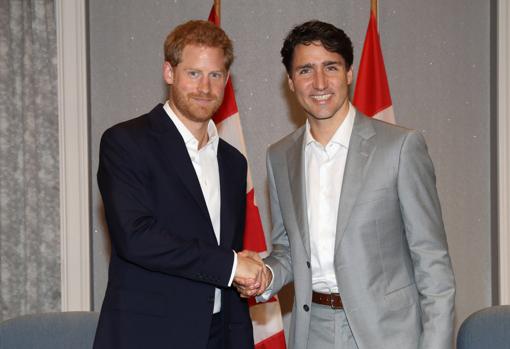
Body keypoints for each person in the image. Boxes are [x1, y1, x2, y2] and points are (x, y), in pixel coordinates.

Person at [236, 20, 455, 349]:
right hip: (313, 331)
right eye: (306, 70)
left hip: (388, 334)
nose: (320, 82)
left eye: (331, 67)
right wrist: (265, 274)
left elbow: (432, 263)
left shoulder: (400, 147)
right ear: (291, 81)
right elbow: (288, 250)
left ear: (349, 73)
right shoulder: (279, 156)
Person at [93, 20, 265, 349]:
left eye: (215, 75)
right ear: (169, 73)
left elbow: (225, 251)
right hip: (149, 336)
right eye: (193, 73)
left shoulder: (233, 162)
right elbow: (136, 238)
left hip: (221, 334)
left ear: (227, 80)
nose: (205, 87)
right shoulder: (126, 143)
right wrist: (231, 265)